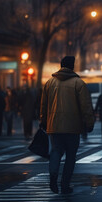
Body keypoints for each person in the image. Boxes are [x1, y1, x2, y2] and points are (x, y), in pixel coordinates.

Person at [40, 56, 95, 194]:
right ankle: (65, 184)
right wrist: (89, 122)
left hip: (54, 125)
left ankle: (53, 176)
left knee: (56, 151)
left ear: (61, 65)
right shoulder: (79, 83)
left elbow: (43, 105)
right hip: (72, 126)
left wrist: (44, 120)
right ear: (72, 66)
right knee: (71, 156)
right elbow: (86, 106)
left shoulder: (49, 83)